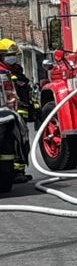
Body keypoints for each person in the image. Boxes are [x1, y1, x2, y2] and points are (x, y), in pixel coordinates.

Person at [0, 38, 34, 181]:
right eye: (9, 55)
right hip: (9, 114)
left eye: (13, 54)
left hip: (18, 114)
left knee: (21, 143)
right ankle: (13, 172)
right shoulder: (3, 72)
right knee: (12, 143)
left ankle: (18, 171)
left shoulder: (17, 71)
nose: (12, 58)